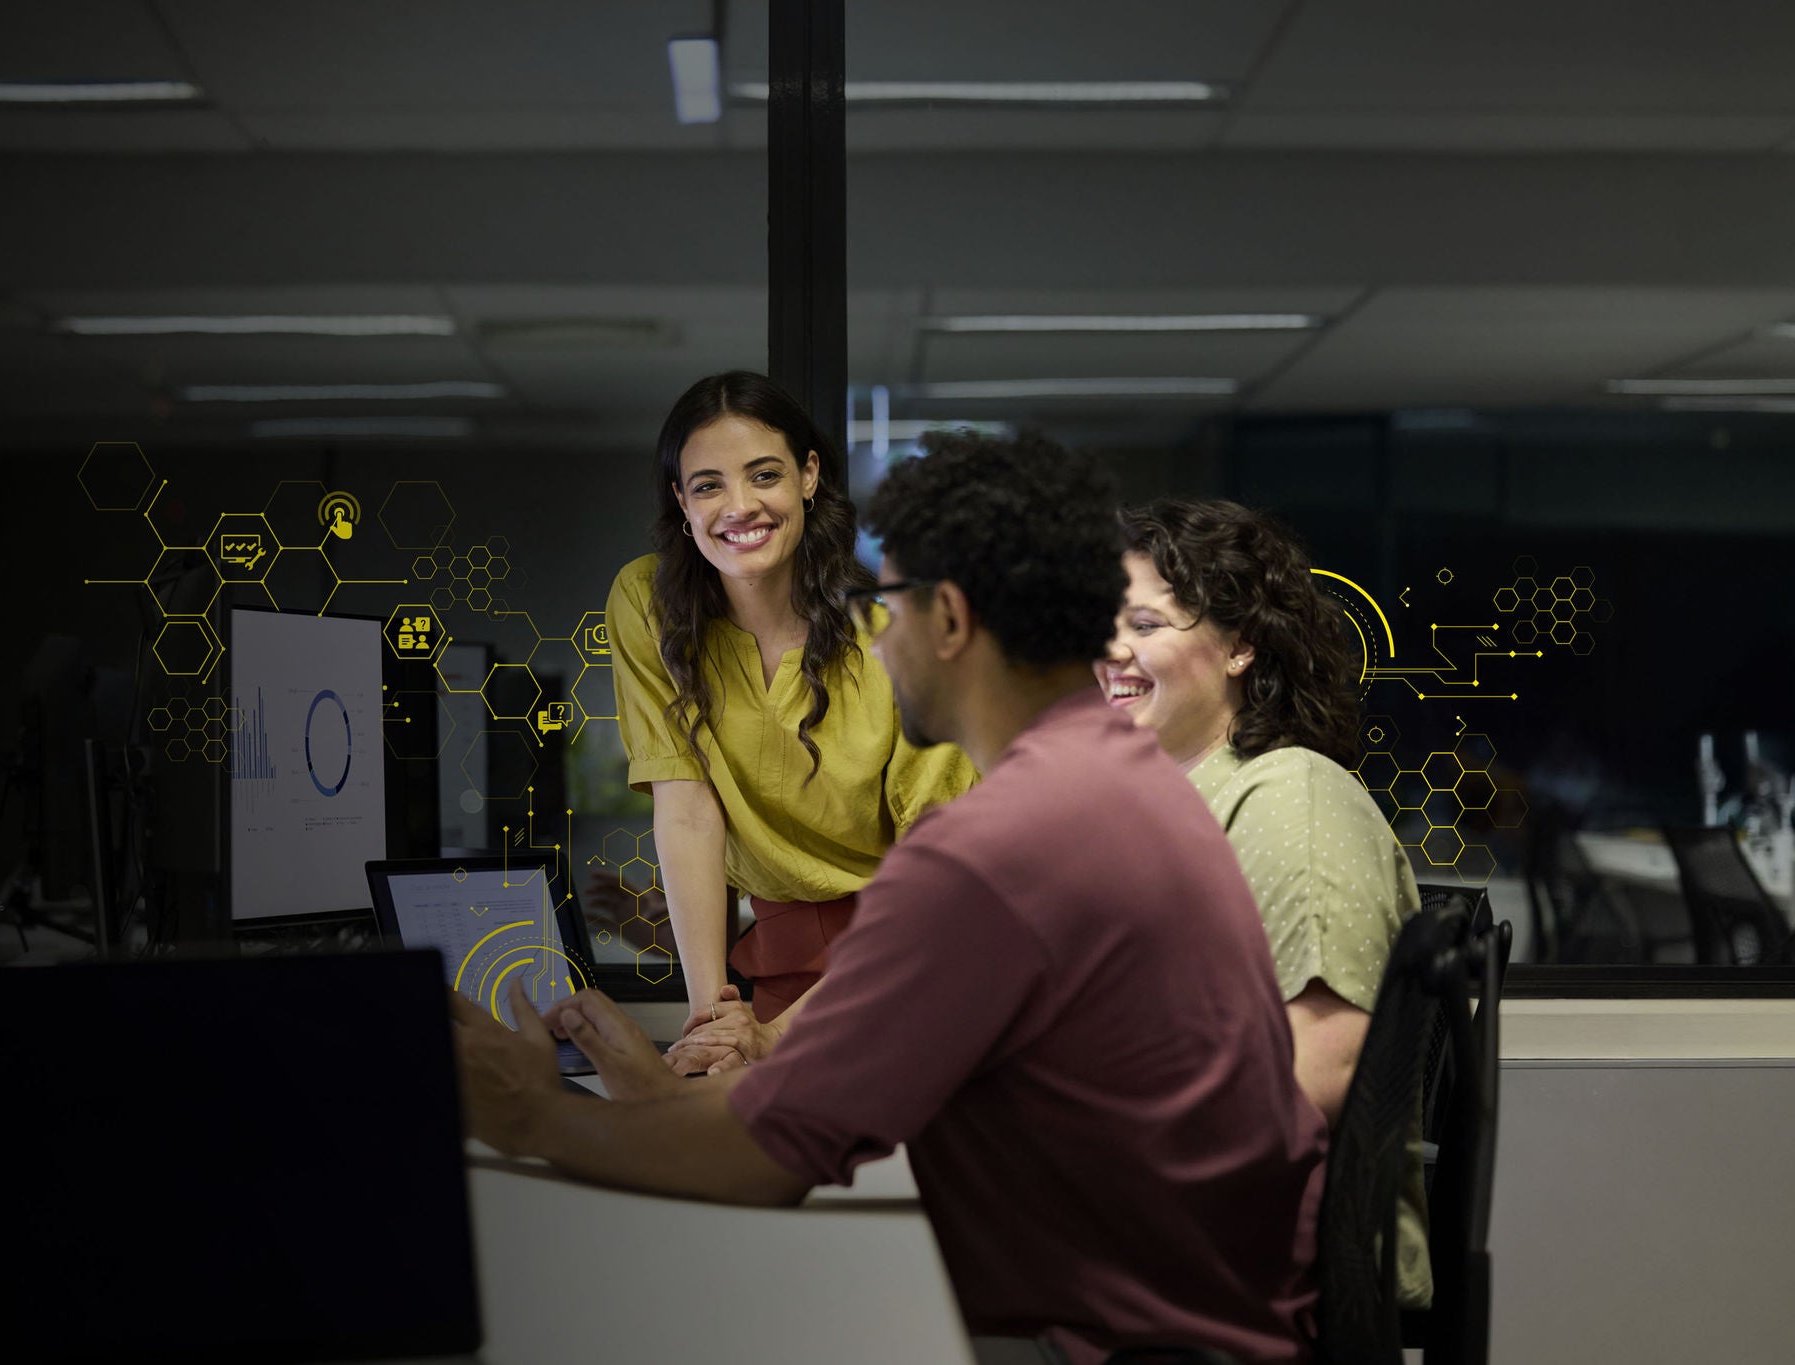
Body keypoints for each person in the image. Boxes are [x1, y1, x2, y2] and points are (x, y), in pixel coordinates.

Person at [456, 434, 1325, 1363]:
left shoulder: (1000, 848)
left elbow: (769, 1160)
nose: (875, 637)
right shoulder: (1118, 780)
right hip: (1199, 1321)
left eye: (884, 603)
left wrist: (533, 1115)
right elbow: (793, 1109)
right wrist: (652, 1106)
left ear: (946, 619)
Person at [1097, 497, 1427, 1306]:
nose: (1110, 649)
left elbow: (1317, 1071)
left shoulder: (1290, 801)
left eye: (1144, 623)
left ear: (1241, 644)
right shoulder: (1162, 812)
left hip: (1270, 1254)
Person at [604, 371, 975, 1069]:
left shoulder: (902, 632)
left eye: (764, 474)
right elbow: (685, 809)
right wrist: (709, 1018)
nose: (739, 506)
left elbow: (941, 879)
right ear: (682, 502)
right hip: (778, 957)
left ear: (809, 477)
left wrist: (774, 1035)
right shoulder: (646, 603)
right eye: (708, 484)